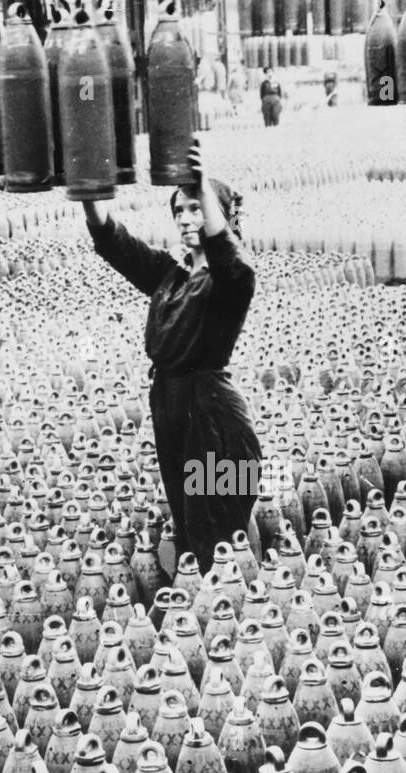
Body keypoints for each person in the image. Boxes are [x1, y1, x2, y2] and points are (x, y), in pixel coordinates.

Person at [81, 137, 261, 576]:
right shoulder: (170, 277)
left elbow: (230, 260)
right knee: (188, 516)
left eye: (195, 208)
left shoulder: (230, 281)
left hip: (212, 417)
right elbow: (115, 242)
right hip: (172, 408)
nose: (184, 218)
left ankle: (234, 607)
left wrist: (202, 188)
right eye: (178, 210)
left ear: (220, 215)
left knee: (213, 523)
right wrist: (88, 192)